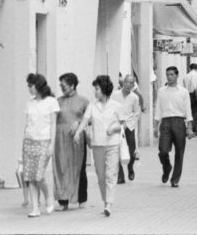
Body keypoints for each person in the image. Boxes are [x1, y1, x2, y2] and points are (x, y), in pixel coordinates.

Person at [73, 75, 124, 217]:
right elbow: (85, 120)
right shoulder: (92, 106)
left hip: (112, 144)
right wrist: (78, 132)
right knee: (101, 175)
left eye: (97, 89)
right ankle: (105, 200)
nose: (95, 92)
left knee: (110, 174)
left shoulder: (116, 106)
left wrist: (113, 129)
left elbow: (122, 125)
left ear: (104, 89)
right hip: (97, 144)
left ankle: (109, 203)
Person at [22, 73, 60, 217]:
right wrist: (25, 140)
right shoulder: (29, 103)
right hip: (29, 141)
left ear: (38, 85)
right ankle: (35, 209)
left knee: (39, 175)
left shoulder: (51, 102)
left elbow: (53, 125)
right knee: (30, 176)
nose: (29, 88)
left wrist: (52, 144)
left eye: (30, 85)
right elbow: (27, 124)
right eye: (28, 86)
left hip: (45, 141)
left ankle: (48, 196)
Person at [53, 73, 89, 211]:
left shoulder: (83, 101)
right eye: (60, 85)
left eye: (64, 85)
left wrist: (79, 122)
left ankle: (81, 198)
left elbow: (91, 118)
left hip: (77, 139)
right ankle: (63, 201)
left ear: (72, 85)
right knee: (61, 168)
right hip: (60, 139)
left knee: (79, 168)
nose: (61, 88)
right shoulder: (58, 101)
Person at [153, 66, 194, 187]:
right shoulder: (161, 91)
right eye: (168, 75)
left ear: (177, 76)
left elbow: (188, 110)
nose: (169, 77)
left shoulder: (183, 92)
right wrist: (155, 126)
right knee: (163, 150)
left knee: (179, 152)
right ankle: (167, 167)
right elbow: (158, 110)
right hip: (165, 123)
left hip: (179, 122)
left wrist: (190, 127)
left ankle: (175, 179)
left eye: (172, 74)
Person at [113, 74, 141, 184]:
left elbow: (137, 113)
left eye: (131, 83)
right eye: (126, 82)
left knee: (131, 149)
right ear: (123, 82)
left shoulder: (134, 97)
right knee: (115, 150)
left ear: (133, 85)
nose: (128, 84)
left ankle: (130, 167)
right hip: (116, 125)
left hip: (129, 126)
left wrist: (128, 123)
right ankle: (120, 176)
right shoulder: (115, 95)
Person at [182, 63, 197, 136]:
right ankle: (194, 129)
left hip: (187, 95)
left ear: (189, 68)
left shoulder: (185, 76)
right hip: (195, 96)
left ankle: (189, 129)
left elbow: (183, 88)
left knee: (188, 112)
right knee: (195, 113)